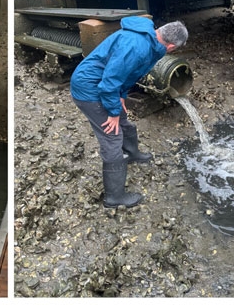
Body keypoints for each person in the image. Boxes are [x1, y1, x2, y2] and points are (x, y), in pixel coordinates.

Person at [70, 16, 188, 208]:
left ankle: (132, 154)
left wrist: (122, 96)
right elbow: (109, 83)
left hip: (105, 85)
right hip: (89, 88)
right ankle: (114, 197)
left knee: (125, 123)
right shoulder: (136, 47)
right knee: (112, 136)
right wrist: (113, 112)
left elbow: (128, 74)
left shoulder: (152, 41)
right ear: (172, 48)